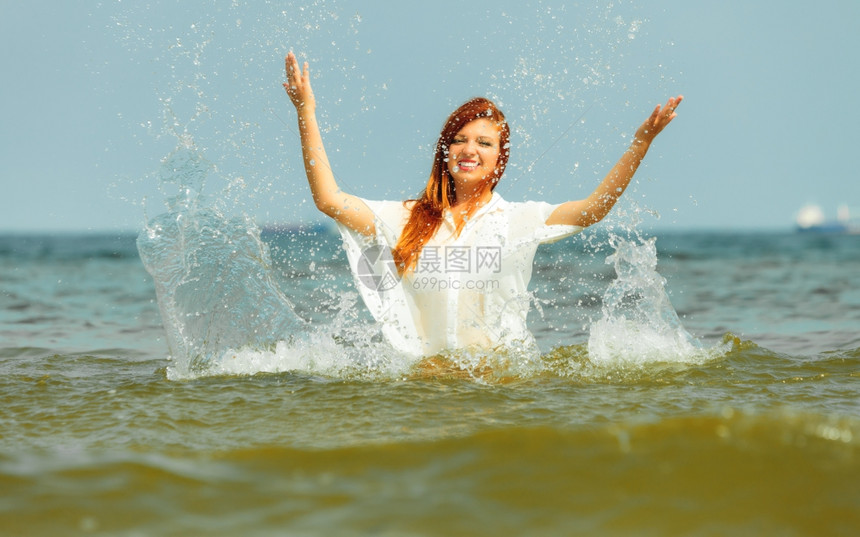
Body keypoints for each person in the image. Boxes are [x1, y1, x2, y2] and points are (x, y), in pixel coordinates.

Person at [283, 51, 682, 359]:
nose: (469, 149)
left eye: (484, 143)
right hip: (427, 387)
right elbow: (329, 199)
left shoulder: (516, 219)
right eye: (459, 139)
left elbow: (593, 209)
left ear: (498, 160)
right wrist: (306, 112)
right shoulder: (407, 217)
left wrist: (640, 144)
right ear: (445, 150)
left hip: (499, 387)